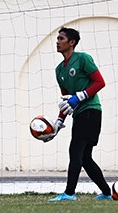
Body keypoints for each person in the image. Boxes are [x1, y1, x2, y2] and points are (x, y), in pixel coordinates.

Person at [46, 27, 113, 201]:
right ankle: (107, 193)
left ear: (72, 42)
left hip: (91, 110)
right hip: (80, 114)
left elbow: (100, 82)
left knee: (75, 150)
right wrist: (57, 124)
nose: (57, 42)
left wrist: (80, 96)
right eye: (57, 38)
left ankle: (69, 193)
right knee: (85, 157)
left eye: (61, 38)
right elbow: (66, 101)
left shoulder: (83, 59)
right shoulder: (59, 70)